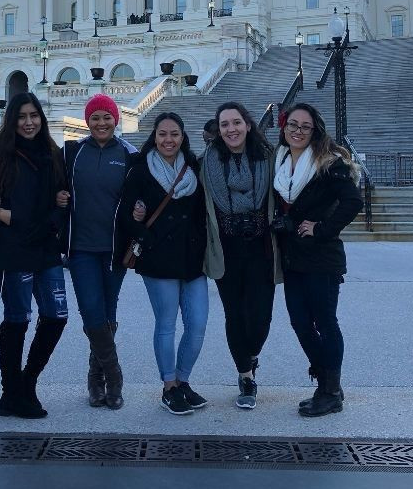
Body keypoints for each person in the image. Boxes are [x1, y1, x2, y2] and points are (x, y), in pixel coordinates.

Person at [0, 93, 69, 419]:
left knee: (57, 315)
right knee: (17, 319)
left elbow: (64, 197)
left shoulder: (53, 153)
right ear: (11, 119)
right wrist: (0, 213)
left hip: (45, 244)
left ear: (41, 118)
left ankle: (27, 382)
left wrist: (57, 219)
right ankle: (10, 392)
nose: (29, 122)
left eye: (34, 116)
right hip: (12, 246)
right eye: (22, 116)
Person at [272, 102, 362, 417]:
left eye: (305, 126)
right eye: (292, 125)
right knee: (299, 322)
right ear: (284, 128)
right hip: (292, 256)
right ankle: (324, 381)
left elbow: (353, 201)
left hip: (322, 258)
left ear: (315, 130)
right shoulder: (280, 160)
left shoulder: (328, 163)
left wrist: (322, 229)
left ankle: (330, 390)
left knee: (325, 322)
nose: (297, 131)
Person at [118, 112, 208, 416]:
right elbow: (125, 217)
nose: (168, 140)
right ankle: (169, 386)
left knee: (197, 325)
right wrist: (147, 236)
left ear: (183, 137)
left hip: (193, 259)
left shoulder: (192, 166)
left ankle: (183, 381)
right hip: (158, 259)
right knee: (167, 326)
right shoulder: (141, 170)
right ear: (154, 137)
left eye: (174, 134)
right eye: (162, 134)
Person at [201, 101, 281, 409]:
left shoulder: (269, 157)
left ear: (248, 125)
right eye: (224, 125)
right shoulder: (207, 162)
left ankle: (252, 355)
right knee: (234, 315)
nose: (231, 129)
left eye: (236, 123)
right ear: (218, 131)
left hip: (261, 248)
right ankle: (246, 376)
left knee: (260, 318)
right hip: (227, 249)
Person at [62, 94, 137, 409]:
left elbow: (138, 195)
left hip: (114, 249)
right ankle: (113, 375)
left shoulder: (129, 155)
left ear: (116, 119)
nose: (101, 123)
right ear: (87, 121)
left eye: (107, 117)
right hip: (80, 248)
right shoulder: (71, 153)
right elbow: (53, 184)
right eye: (95, 117)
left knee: (108, 311)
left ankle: (97, 377)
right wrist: (58, 197)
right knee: (91, 310)